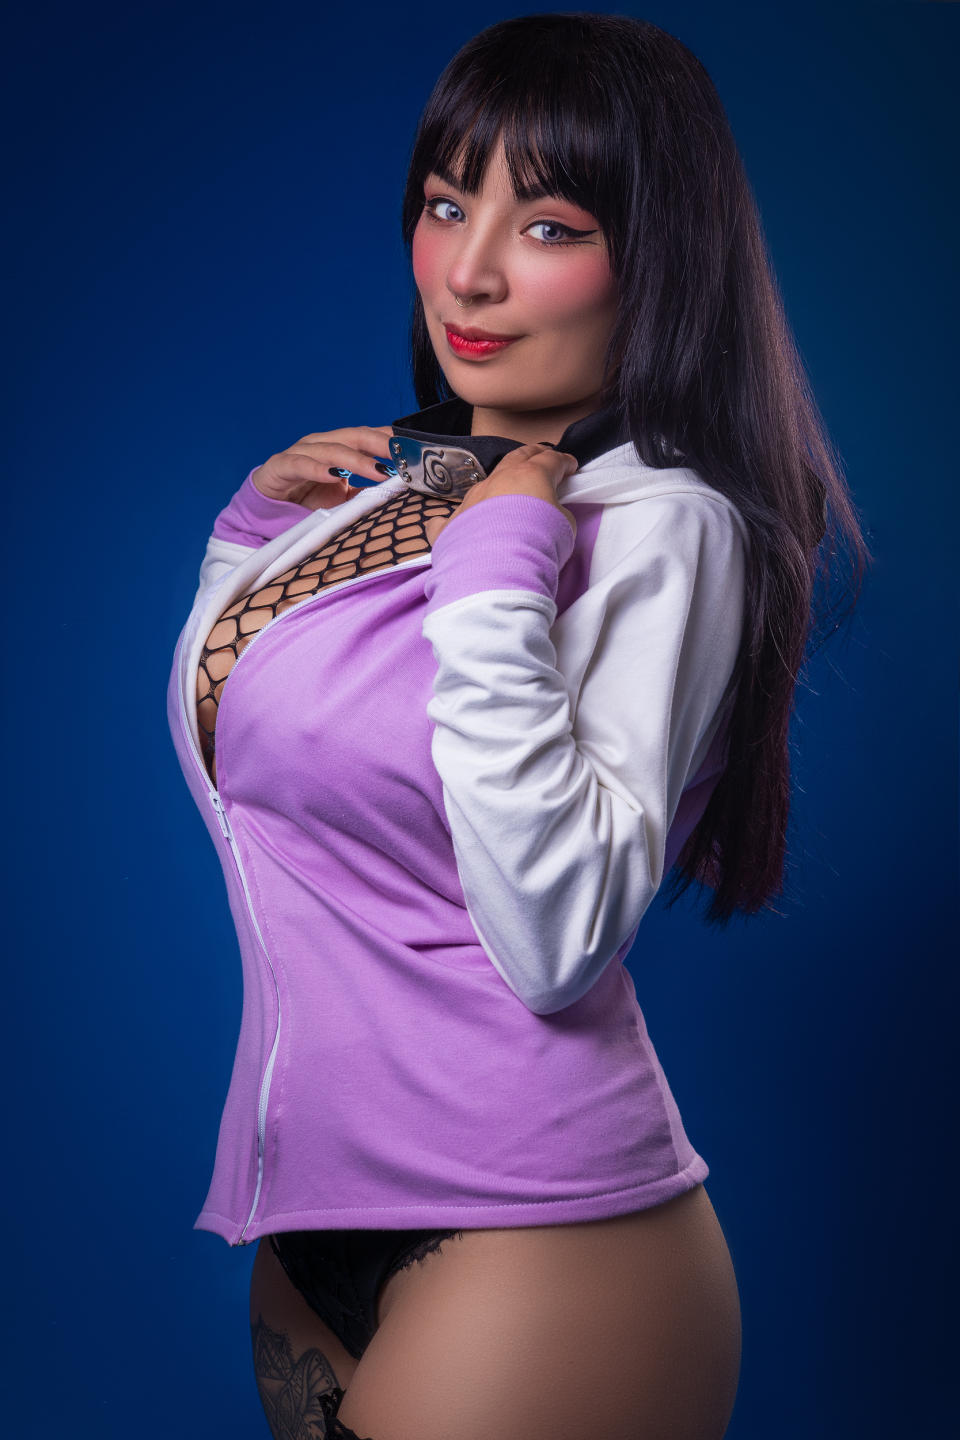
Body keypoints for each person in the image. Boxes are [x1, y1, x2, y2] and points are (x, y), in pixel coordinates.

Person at [166, 13, 869, 1439]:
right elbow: (275, 791)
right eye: (445, 205)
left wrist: (499, 565)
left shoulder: (662, 522)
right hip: (316, 1218)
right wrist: (250, 554)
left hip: (536, 1234)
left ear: (658, 258)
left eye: (549, 227)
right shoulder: (426, 482)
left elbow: (556, 935)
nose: (470, 272)